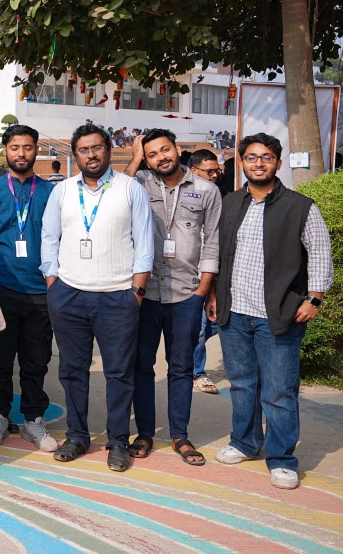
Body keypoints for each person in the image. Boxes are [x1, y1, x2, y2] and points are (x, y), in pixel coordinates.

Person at [212, 133, 332, 490]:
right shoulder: (231, 202)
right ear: (242, 163)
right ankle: (245, 443)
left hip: (278, 314)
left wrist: (314, 299)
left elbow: (320, 253)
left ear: (278, 163)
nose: (258, 163)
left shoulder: (300, 206)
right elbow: (219, 252)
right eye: (251, 157)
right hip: (235, 312)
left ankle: (281, 459)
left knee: (279, 391)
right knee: (242, 385)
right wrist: (214, 294)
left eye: (266, 157)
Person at [40, 123, 153, 472]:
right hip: (69, 294)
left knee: (119, 373)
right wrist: (53, 282)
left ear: (108, 150)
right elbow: (49, 237)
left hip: (117, 296)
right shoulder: (62, 191)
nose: (91, 155)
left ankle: (117, 441)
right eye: (84, 150)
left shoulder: (130, 189)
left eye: (97, 148)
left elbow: (144, 243)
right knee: (72, 371)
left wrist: (136, 291)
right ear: (76, 155)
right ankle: (77, 436)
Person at [124, 130, 221, 466]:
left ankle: (180, 434)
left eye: (165, 150)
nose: (160, 158)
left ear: (178, 149)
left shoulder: (207, 190)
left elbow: (213, 242)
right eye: (152, 154)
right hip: (146, 292)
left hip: (186, 293)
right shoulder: (139, 183)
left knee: (181, 368)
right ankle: (145, 432)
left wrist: (203, 290)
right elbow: (115, 197)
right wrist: (135, 159)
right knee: (142, 366)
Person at [0, 125, 58, 452]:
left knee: (36, 360)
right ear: (5, 151)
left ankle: (33, 419)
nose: (21, 153)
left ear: (37, 150)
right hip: (1, 289)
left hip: (41, 289)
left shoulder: (51, 193)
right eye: (14, 147)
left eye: (27, 147)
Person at [188, 148, 224, 394]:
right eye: (209, 171)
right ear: (193, 171)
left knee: (217, 323)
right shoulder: (183, 196)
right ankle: (196, 373)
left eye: (217, 171)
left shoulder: (218, 196)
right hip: (191, 275)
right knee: (200, 328)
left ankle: (188, 358)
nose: (214, 175)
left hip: (214, 273)